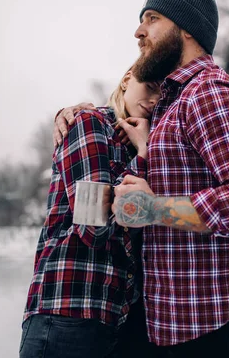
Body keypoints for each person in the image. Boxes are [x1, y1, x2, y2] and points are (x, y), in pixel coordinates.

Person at [55, 0, 229, 358]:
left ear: (187, 28)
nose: (138, 32)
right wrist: (78, 115)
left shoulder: (210, 92)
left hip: (214, 322)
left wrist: (155, 209)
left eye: (152, 19)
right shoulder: (172, 104)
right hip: (175, 322)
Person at [20, 68, 160, 358]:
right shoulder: (89, 124)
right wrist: (144, 155)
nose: (154, 99)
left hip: (115, 319)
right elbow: (92, 228)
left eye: (163, 95)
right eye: (149, 86)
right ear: (127, 79)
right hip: (67, 313)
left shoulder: (140, 144)